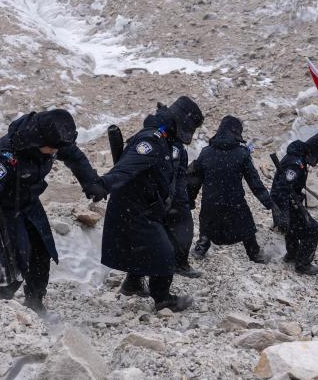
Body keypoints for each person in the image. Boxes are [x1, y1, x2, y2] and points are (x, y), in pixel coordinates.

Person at [0, 110, 107, 313]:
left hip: (28, 203)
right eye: (53, 148)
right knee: (16, 259)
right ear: (39, 141)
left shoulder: (52, 141)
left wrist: (91, 182)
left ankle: (35, 301)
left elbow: (74, 156)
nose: (56, 152)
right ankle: (3, 303)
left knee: (42, 251)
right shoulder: (5, 157)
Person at [100, 96, 204, 312]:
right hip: (135, 206)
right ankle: (163, 299)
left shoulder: (169, 140)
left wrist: (178, 205)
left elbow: (174, 177)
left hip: (148, 204)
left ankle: (133, 283)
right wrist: (103, 184)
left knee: (151, 245)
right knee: (164, 253)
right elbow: (127, 167)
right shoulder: (151, 140)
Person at [189, 116, 274, 263]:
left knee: (207, 222)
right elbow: (254, 182)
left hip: (211, 201)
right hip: (234, 202)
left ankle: (201, 247)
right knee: (246, 225)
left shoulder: (206, 152)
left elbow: (195, 180)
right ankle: (254, 253)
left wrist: (190, 198)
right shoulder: (242, 154)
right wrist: (269, 202)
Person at [270, 133, 318, 275]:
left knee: (294, 228)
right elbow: (281, 190)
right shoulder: (296, 163)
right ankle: (303, 264)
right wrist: (284, 214)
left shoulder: (298, 157)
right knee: (312, 231)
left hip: (288, 201)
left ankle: (292, 254)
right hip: (285, 202)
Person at [164, 134, 201, 278]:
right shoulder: (173, 145)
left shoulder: (163, 140)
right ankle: (179, 264)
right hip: (174, 198)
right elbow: (174, 174)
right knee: (184, 230)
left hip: (165, 196)